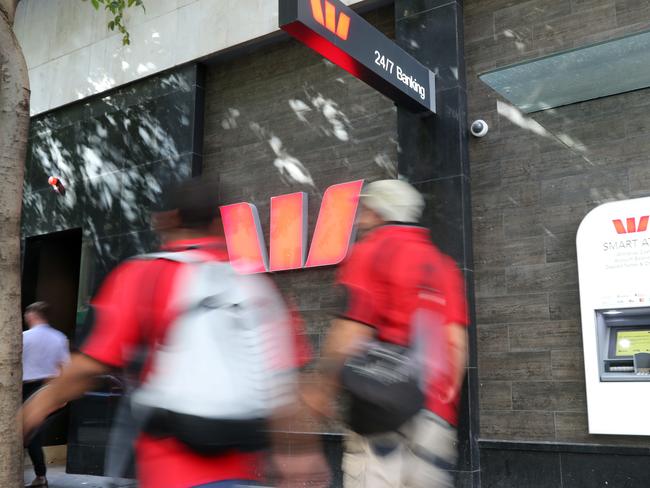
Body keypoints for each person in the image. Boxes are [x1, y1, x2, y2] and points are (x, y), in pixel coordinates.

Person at [22, 179, 329, 488]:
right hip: (247, 473)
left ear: (167, 219)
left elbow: (86, 370)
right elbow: (291, 389)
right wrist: (302, 456)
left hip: (171, 473)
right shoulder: (260, 287)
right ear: (219, 223)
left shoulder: (145, 275)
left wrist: (30, 412)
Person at [304, 179, 469, 488]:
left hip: (380, 413)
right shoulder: (444, 265)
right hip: (435, 416)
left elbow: (352, 330)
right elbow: (457, 345)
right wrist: (442, 405)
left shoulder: (370, 252)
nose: (360, 217)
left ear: (377, 211)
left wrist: (322, 388)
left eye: (364, 209)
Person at [22, 301, 71, 488]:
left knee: (26, 433)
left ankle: (39, 476)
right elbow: (65, 366)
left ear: (33, 315)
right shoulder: (59, 337)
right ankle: (40, 476)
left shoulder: (23, 337)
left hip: (26, 388)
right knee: (32, 434)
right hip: (49, 387)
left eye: (27, 313)